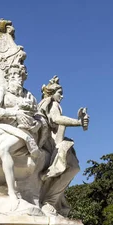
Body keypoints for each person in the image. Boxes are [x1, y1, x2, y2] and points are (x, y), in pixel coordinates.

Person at [0, 64, 44, 207]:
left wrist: (37, 124)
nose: (16, 78)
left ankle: (12, 192)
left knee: (4, 148)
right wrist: (14, 112)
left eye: (18, 75)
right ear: (8, 79)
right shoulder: (3, 91)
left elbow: (40, 117)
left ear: (23, 77)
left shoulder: (29, 96)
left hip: (23, 131)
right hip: (3, 127)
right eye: (12, 76)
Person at [38, 76, 89, 215]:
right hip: (53, 142)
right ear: (52, 93)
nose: (62, 96)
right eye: (60, 93)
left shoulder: (52, 104)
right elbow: (56, 119)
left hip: (58, 140)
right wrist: (78, 122)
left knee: (73, 168)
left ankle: (51, 200)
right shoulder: (51, 103)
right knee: (73, 168)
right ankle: (49, 201)